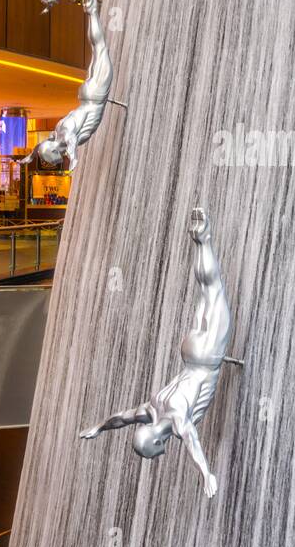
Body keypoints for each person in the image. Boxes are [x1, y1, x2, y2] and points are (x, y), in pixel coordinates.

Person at [80, 207, 233, 498]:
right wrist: (98, 427)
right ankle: (200, 241)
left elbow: (192, 442)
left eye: (154, 454)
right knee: (207, 290)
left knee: (214, 290)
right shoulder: (150, 409)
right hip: (190, 353)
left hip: (208, 357)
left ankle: (204, 237)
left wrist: (206, 474)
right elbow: (122, 418)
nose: (159, 456)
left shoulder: (175, 419)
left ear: (156, 443)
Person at [24, 0, 117, 171]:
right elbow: (45, 145)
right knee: (97, 48)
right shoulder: (57, 131)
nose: (51, 162)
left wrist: (74, 159)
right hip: (88, 95)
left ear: (53, 150)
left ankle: (92, 12)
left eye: (49, 159)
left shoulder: (64, 133)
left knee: (100, 48)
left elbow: (71, 139)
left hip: (96, 95)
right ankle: (92, 12)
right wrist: (30, 156)